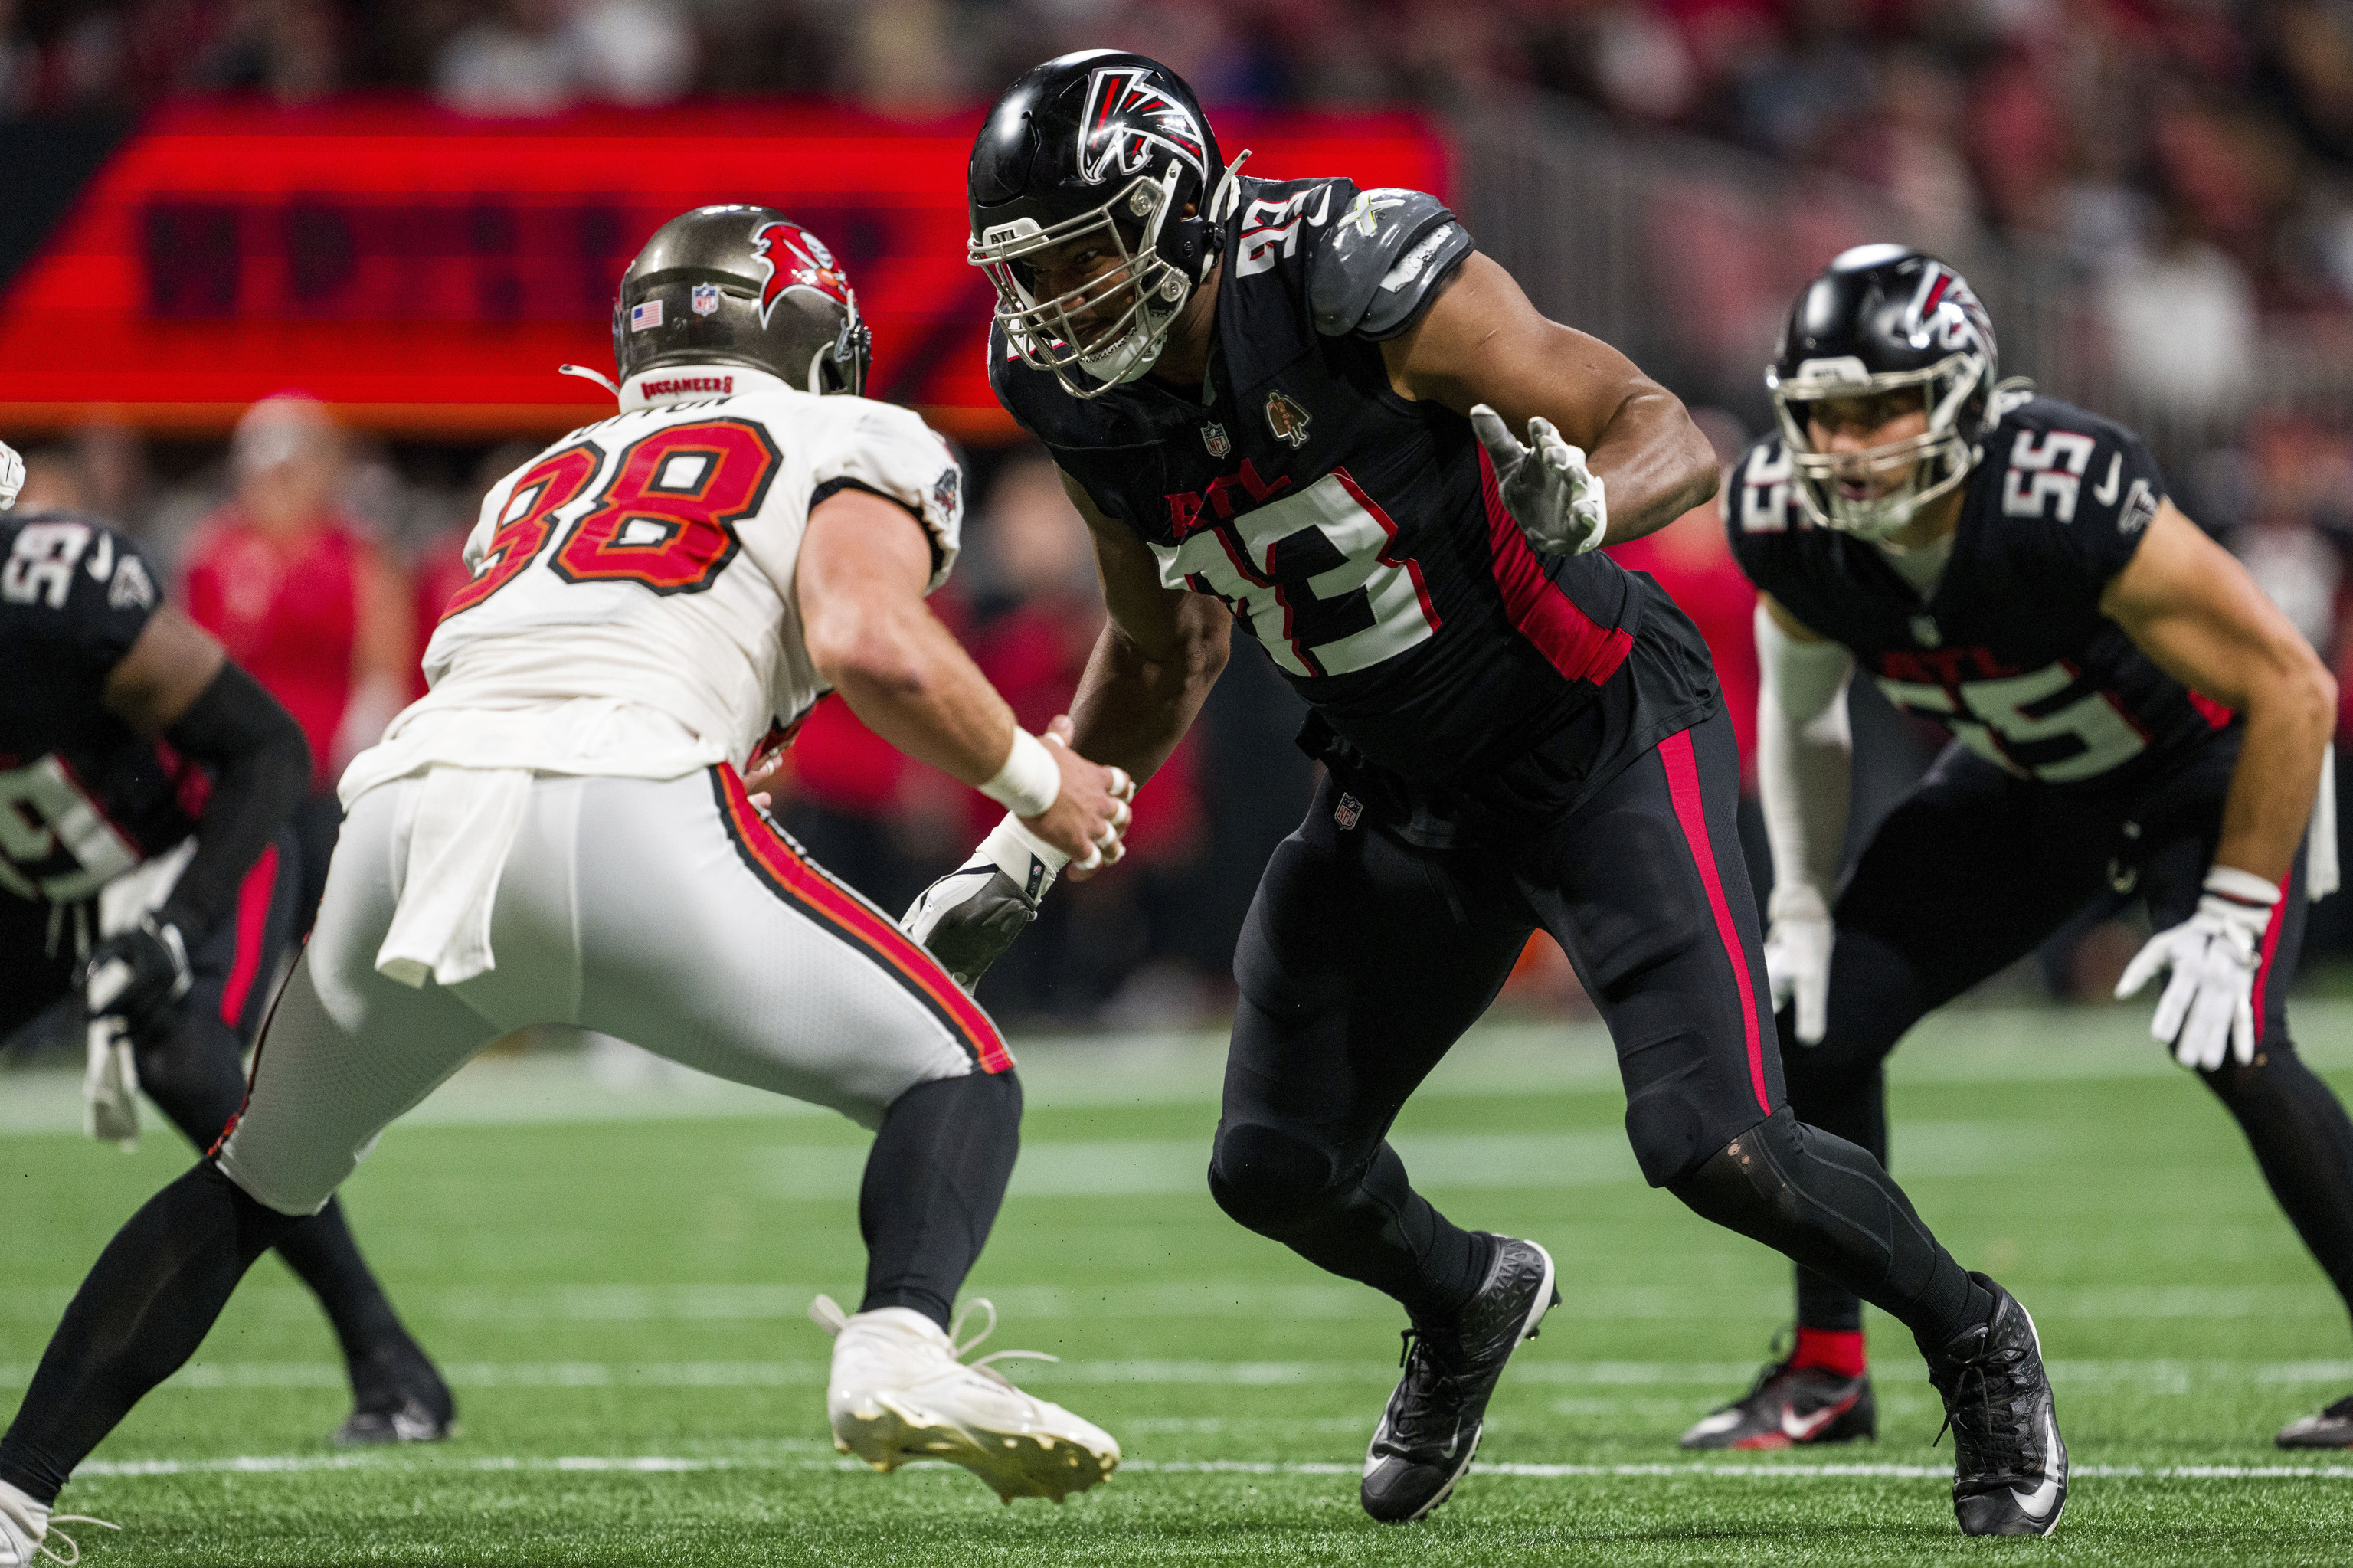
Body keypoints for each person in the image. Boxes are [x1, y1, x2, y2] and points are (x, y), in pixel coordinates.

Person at [915, 51, 2067, 1536]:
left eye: (1082, 256)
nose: (1057, 304)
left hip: (1586, 739)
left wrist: (1590, 500)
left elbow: (1661, 425)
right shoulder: (1074, 390)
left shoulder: (1344, 269)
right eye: (1030, 270)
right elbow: (1164, 640)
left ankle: (1976, 1335)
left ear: (1182, 207)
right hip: (1397, 785)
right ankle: (1467, 1299)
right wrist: (1034, 827)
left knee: (1713, 1143)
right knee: (1274, 1165)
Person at [0, 205, 1134, 1564]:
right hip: (626, 806)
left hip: (406, 819)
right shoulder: (853, 435)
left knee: (253, 1182)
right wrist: (1034, 781)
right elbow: (868, 637)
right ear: (807, 337)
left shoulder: (548, 471)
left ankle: (15, 1488)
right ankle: (897, 1335)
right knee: (957, 1074)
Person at [1684, 244, 2353, 1455]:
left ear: (1964, 396)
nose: (1851, 447)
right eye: (1828, 416)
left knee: (2239, 1042)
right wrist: (1799, 902)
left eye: (1885, 406)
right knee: (1817, 1021)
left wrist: (2239, 906)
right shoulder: (1786, 516)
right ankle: (1828, 1367)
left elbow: (2294, 688)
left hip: (2201, 769)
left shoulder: (2059, 488)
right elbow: (1800, 713)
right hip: (2027, 779)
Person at [0, 439, 454, 1458]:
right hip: (38, 873)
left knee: (188, 1062)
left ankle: (386, 1355)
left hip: (196, 844)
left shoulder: (59, 599)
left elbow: (267, 750)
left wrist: (172, 921)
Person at [178, 394, 417, 934]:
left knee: (326, 923)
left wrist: (364, 755)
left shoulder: (356, 555)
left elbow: (382, 661)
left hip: (323, 775)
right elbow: (194, 664)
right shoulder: (214, 551)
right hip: (239, 772)